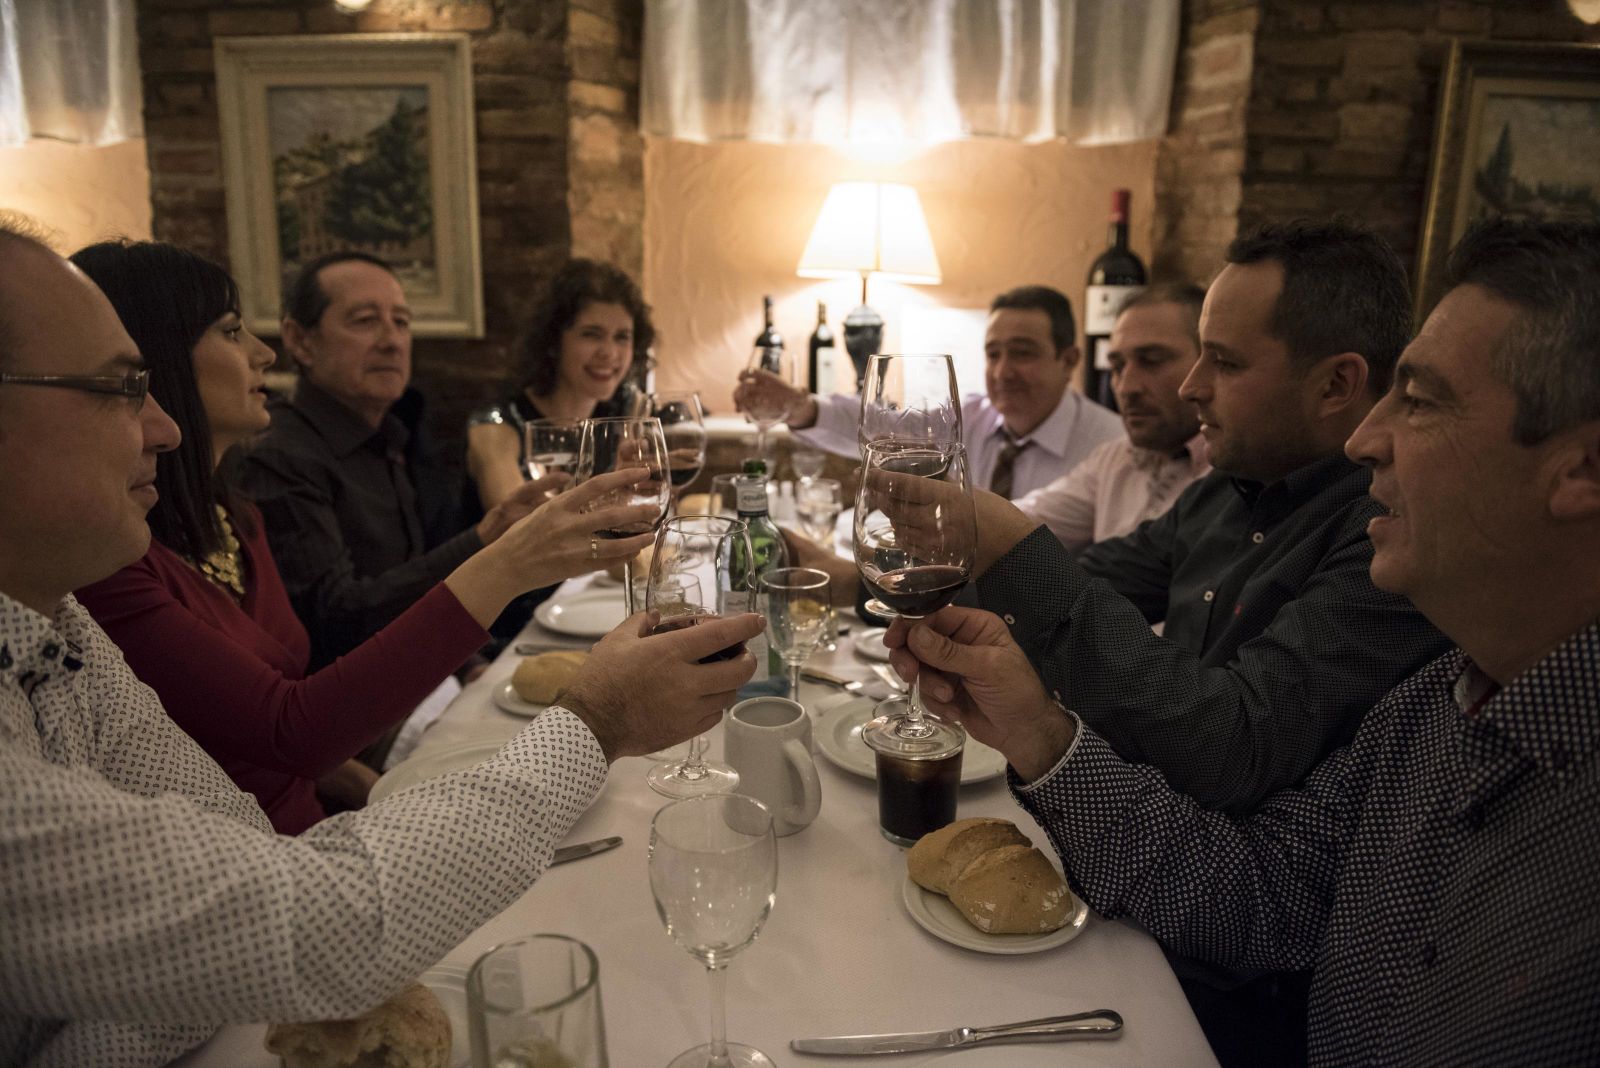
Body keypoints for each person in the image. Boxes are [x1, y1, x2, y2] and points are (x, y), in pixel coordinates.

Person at [0, 221, 765, 1067]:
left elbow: (257, 858)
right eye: (116, 387)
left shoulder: (62, 631)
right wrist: (598, 717)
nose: (163, 428)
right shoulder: (120, 584)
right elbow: (312, 913)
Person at [884, 217, 1600, 1066]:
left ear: (1580, 471)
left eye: (1422, 400)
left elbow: (1234, 743)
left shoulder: (1383, 575)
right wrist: (1035, 729)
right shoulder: (1433, 705)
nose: (1370, 439)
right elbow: (1258, 895)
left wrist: (1007, 551)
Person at [69, 240, 660, 834]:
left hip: (333, 806)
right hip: (265, 857)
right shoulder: (114, 559)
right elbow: (295, 720)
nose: (262, 352)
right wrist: (501, 559)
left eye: (401, 321)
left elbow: (285, 736)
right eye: (231, 331)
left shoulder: (234, 514)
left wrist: (382, 796)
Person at [958, 221, 1448, 816]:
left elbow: (1236, 745)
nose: (1193, 387)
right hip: (1137, 813)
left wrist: (1017, 550)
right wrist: (915, 585)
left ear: (1336, 384)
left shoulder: (1387, 536)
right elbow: (1093, 577)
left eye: (1224, 362)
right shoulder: (1223, 490)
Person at [236, 251, 548, 673]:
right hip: (354, 719)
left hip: (421, 685)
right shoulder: (282, 455)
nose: (392, 340)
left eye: (401, 322)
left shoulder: (388, 435)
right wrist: (484, 538)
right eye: (364, 320)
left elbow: (407, 594)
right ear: (299, 340)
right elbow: (336, 622)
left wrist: (467, 667)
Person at [734, 285, 1125, 498]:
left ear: (1069, 360)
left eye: (1022, 353)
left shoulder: (1110, 446)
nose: (1003, 371)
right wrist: (798, 407)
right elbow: (881, 428)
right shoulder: (973, 418)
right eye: (993, 354)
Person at [1014, 283, 1211, 551]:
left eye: (1152, 360)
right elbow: (1018, 525)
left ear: (1210, 363)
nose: (1126, 387)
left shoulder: (1234, 473)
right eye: (1116, 366)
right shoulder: (1116, 458)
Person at [466, 258, 651, 511]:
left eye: (622, 337)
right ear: (553, 342)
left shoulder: (627, 406)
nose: (609, 353)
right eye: (591, 334)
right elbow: (518, 529)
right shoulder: (496, 428)